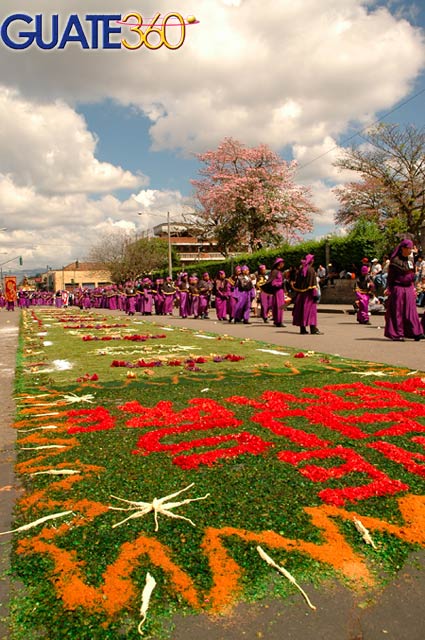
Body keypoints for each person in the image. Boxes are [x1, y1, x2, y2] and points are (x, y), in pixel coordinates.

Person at [384, 238, 425, 341]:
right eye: (408, 248)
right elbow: (391, 277)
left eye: (411, 248)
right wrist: (389, 288)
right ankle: (398, 333)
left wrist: (413, 286)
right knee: (398, 312)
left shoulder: (410, 261)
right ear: (403, 248)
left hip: (409, 288)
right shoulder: (395, 261)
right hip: (398, 289)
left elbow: (412, 274)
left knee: (411, 311)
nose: (410, 250)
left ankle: (416, 332)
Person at [291, 253, 323, 335]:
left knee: (302, 311)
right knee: (311, 312)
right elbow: (313, 284)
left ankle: (303, 329)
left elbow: (297, 283)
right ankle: (313, 329)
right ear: (311, 261)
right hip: (309, 295)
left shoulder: (301, 269)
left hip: (301, 295)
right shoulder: (311, 270)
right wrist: (315, 295)